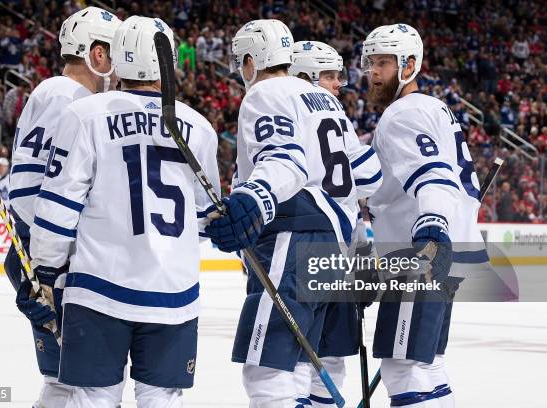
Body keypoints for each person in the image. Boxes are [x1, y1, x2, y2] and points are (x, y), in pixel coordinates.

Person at [29, 16, 220, 408]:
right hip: (174, 293)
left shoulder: (86, 115)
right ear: (168, 62)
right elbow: (203, 223)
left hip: (99, 290)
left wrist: (45, 273)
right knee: (162, 400)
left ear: (119, 58)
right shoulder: (200, 128)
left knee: (92, 399)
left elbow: (57, 210)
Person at [204, 19, 363, 406]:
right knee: (309, 372)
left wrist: (252, 200)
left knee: (269, 373)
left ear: (251, 59)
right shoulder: (325, 100)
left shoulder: (264, 94)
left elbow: (284, 160)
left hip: (293, 236)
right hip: (336, 242)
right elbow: (367, 177)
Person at [361, 23, 512, 408]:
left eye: (383, 63)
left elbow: (432, 175)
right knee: (427, 365)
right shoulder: (435, 108)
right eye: (370, 63)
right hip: (446, 256)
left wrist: (432, 225)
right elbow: (457, 184)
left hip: (420, 256)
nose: (373, 72)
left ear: (409, 65)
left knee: (403, 368)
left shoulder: (402, 115)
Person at [5, 7, 122, 408]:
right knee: (79, 382)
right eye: (117, 53)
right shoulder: (66, 95)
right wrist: (47, 265)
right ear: (98, 53)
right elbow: (27, 188)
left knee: (65, 381)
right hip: (49, 259)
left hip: (45, 253)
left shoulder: (64, 93)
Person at [289, 40, 382, 407]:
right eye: (328, 75)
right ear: (305, 77)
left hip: (306, 249)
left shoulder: (288, 115)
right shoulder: (336, 118)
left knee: (301, 360)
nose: (337, 83)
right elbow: (369, 177)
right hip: (334, 250)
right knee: (324, 360)